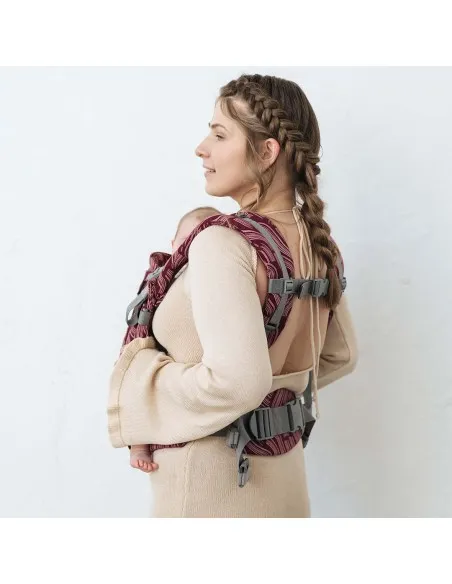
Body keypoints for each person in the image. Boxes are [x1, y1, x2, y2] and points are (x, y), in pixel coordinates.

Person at [108, 73, 358, 517]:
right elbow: (341, 356)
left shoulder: (222, 243)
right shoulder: (318, 244)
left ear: (267, 152)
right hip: (285, 480)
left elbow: (238, 383)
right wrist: (277, 403)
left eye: (220, 135)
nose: (201, 148)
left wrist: (139, 386)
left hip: (209, 487)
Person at [129, 205, 221, 473]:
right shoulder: (164, 275)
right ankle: (138, 444)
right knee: (137, 380)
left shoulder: (217, 273)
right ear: (172, 245)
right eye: (185, 242)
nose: (191, 251)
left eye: (201, 243)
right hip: (148, 341)